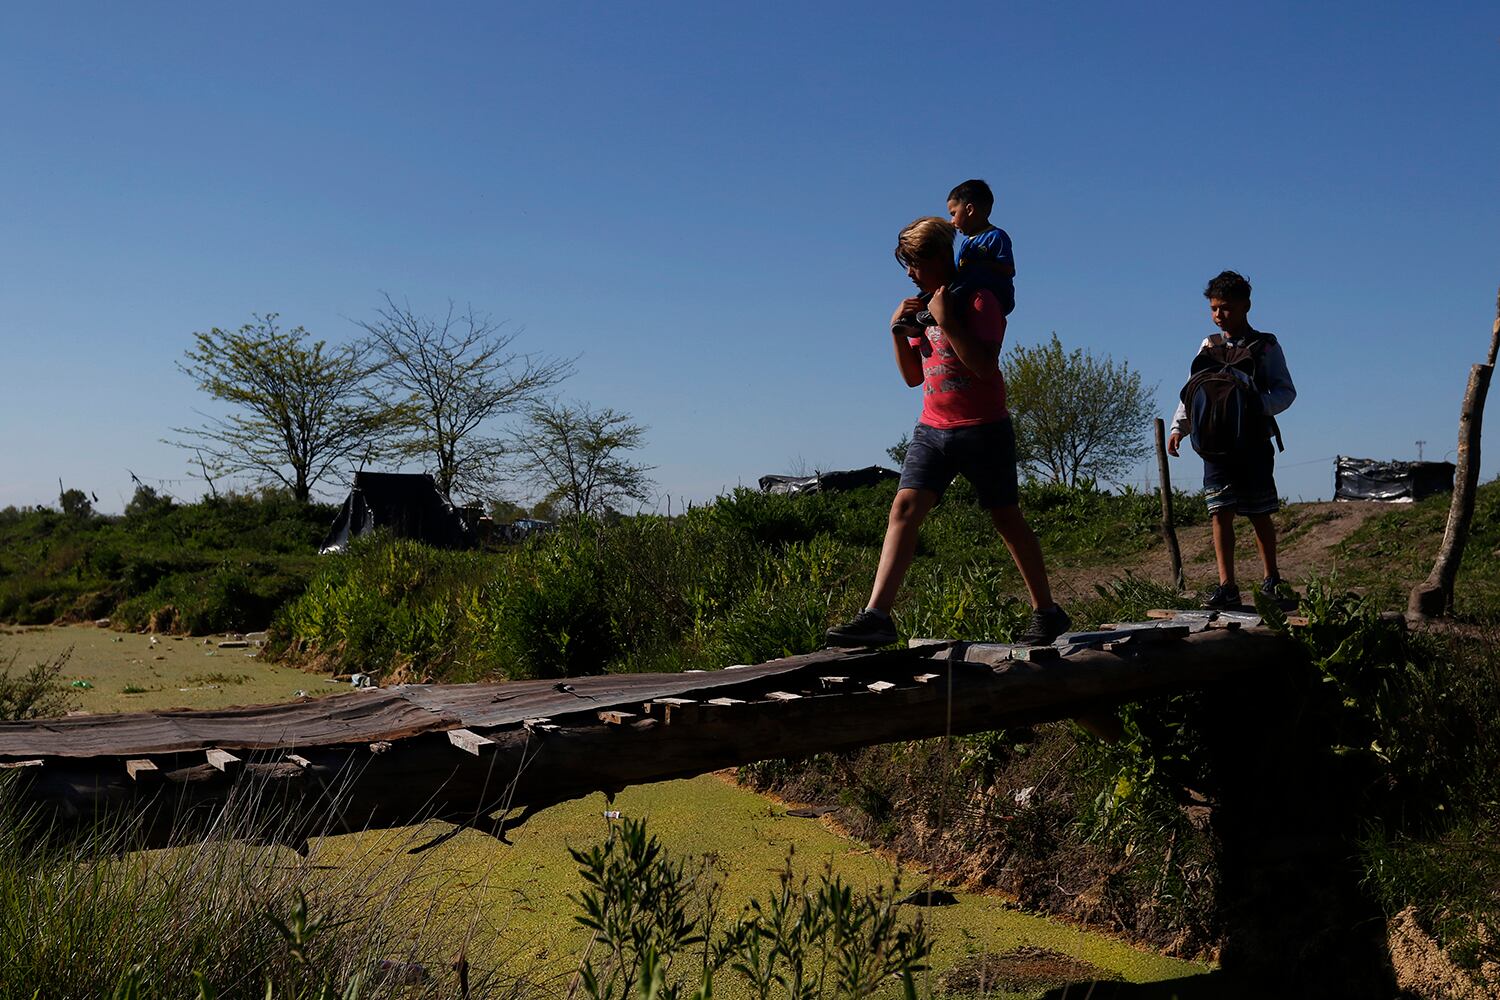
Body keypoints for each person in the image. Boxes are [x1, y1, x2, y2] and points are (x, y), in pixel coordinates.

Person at [827, 216, 1070, 648]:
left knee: (1006, 519)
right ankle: (877, 616)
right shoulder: (924, 306)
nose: (908, 272)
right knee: (903, 509)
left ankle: (1047, 612)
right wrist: (897, 333)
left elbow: (983, 365)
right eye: (906, 264)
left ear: (940, 256)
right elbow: (912, 379)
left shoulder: (979, 300)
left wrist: (947, 321)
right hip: (932, 429)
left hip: (984, 429)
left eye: (915, 262)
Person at [1168, 270, 1296, 609]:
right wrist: (1179, 427)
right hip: (1214, 445)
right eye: (1213, 308)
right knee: (1219, 512)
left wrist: (1258, 406)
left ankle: (1272, 582)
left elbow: (1286, 391)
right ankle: (1228, 586)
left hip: (1253, 443)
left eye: (1225, 307)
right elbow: (1191, 391)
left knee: (1258, 511)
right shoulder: (1208, 345)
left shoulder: (1266, 345)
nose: (1218, 315)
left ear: (1245, 306)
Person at [905, 179, 1016, 330]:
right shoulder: (966, 243)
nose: (951, 221)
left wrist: (980, 267)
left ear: (969, 210)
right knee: (939, 288)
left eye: (953, 213)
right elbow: (958, 272)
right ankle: (912, 316)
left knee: (959, 286)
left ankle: (941, 310)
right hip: (965, 287)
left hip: (992, 292)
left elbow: (1008, 269)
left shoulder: (996, 236)